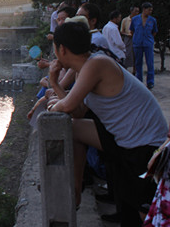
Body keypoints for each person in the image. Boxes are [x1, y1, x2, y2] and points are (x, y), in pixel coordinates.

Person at [46, 22, 168, 225]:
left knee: (144, 212)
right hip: (125, 138)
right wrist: (56, 85)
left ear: (61, 49)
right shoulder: (85, 68)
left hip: (144, 144)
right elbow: (76, 111)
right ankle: (75, 190)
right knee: (73, 129)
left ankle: (77, 190)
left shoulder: (97, 64)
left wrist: (53, 104)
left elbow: (66, 107)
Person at [130, 2, 158, 89]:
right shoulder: (135, 19)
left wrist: (149, 39)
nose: (150, 12)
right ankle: (139, 81)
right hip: (138, 43)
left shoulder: (152, 20)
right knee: (138, 63)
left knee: (150, 62)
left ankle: (150, 82)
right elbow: (132, 31)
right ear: (144, 9)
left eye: (151, 10)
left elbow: (154, 32)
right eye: (149, 10)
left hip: (148, 43)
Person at [121, 6, 139, 72]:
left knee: (136, 54)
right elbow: (122, 31)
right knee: (128, 54)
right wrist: (128, 34)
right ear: (131, 11)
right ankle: (125, 69)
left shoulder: (139, 20)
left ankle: (135, 70)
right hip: (128, 38)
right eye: (135, 11)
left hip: (136, 38)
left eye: (138, 11)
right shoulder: (125, 20)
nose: (137, 13)